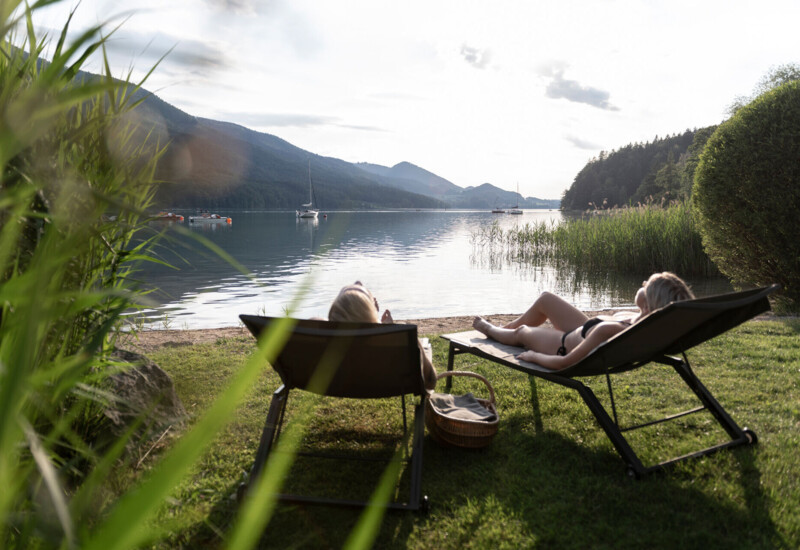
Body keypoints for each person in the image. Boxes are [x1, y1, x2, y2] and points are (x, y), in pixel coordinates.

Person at [472, 272, 694, 371]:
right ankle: (506, 329)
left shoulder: (610, 330)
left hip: (563, 345)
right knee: (546, 299)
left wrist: (533, 356)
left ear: (648, 305)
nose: (643, 282)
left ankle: (491, 329)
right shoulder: (638, 321)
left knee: (522, 332)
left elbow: (565, 363)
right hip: (585, 328)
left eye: (647, 286)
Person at [329, 281, 438, 390]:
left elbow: (356, 329)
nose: (359, 283)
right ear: (370, 312)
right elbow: (430, 382)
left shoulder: (322, 338)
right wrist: (387, 329)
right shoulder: (400, 335)